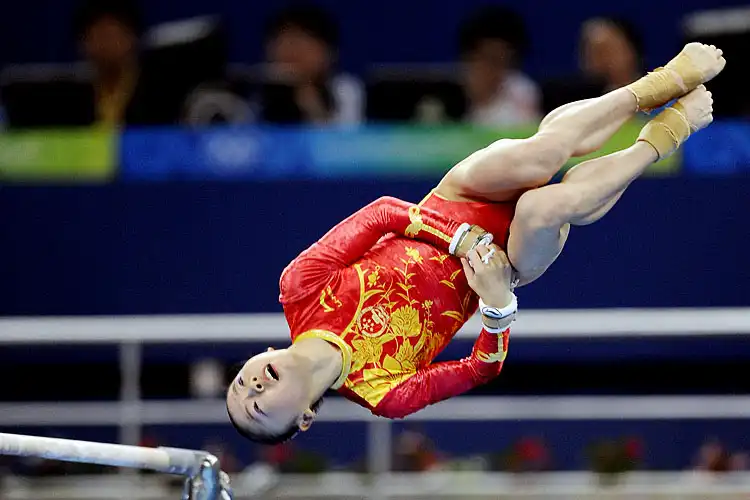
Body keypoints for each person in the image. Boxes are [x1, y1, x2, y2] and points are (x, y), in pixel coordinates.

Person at [227, 43, 725, 444]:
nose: (253, 387)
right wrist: (498, 304)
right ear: (306, 417)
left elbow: (383, 212)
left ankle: (656, 85)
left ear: (261, 354)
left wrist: (459, 237)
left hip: (455, 200)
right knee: (545, 206)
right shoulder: (384, 395)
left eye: (241, 382)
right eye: (257, 408)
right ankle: (662, 137)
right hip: (506, 259)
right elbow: (482, 367)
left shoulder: (300, 290)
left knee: (540, 156)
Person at [458, 6, 541, 126]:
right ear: (468, 57)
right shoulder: (447, 94)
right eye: (488, 58)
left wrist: (485, 102)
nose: (492, 70)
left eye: (502, 61)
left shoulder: (522, 91)